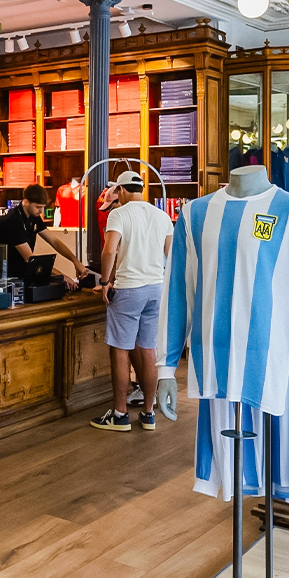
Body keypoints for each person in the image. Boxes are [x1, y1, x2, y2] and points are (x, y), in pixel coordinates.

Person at [90, 171, 174, 433]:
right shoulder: (162, 216)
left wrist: (105, 282)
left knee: (120, 349)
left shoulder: (119, 213)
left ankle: (119, 414)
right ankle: (148, 413)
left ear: (122, 191)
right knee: (148, 349)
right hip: (156, 288)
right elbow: (169, 254)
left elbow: (109, 250)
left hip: (129, 290)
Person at [0, 183, 88, 289]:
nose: (41, 211)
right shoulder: (12, 220)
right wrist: (62, 276)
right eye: (38, 207)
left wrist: (76, 262)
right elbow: (30, 259)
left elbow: (54, 241)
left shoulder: (33, 216)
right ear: (26, 202)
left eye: (43, 207)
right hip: (9, 278)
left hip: (25, 275)